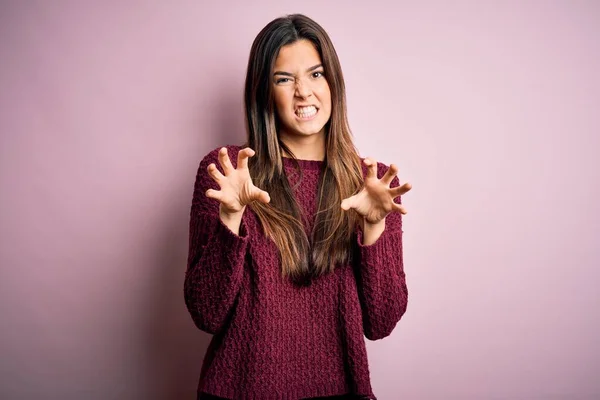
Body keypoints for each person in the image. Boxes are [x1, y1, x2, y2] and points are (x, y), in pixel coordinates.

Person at [184, 13, 412, 400]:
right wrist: (231, 220)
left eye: (316, 74)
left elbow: (382, 321)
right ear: (264, 92)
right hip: (239, 392)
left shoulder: (370, 183)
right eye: (284, 79)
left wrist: (374, 229)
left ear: (333, 83)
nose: (303, 92)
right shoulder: (228, 172)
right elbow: (205, 314)